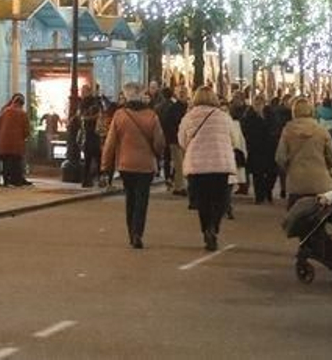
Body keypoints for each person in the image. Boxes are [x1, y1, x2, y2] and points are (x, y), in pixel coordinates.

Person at [100, 82, 166, 248]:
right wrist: (159, 154)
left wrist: (105, 164)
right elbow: (159, 141)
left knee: (130, 198)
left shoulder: (120, 115)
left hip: (126, 164)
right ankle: (138, 232)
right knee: (142, 199)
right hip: (146, 165)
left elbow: (110, 142)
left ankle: (131, 232)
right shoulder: (152, 115)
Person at [179, 85, 236, 251]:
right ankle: (214, 227)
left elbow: (182, 140)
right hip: (220, 163)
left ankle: (206, 229)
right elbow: (233, 138)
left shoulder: (189, 117)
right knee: (219, 199)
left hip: (197, 164)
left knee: (203, 201)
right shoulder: (224, 117)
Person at [275, 96, 332, 208]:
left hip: (296, 182)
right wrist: (327, 166)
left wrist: (289, 168)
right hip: (320, 182)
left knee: (294, 220)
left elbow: (280, 157)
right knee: (318, 220)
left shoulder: (288, 131)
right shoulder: (321, 131)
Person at [242, 94, 278, 204]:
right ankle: (259, 196)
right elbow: (245, 130)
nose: (258, 105)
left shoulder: (270, 113)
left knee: (272, 172)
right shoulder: (248, 115)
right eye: (256, 103)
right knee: (258, 174)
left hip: (269, 147)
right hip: (255, 148)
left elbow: (275, 127)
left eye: (260, 103)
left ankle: (268, 190)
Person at [0, 92, 30, 187]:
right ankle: (16, 181)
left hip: (3, 144)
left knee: (6, 163)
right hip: (16, 145)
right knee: (15, 164)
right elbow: (26, 130)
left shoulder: (5, 111)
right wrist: (25, 137)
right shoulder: (22, 113)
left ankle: (6, 181)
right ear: (21, 104)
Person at [160, 86, 188, 196]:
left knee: (182, 164)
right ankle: (179, 187)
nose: (182, 94)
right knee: (179, 164)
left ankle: (180, 185)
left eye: (184, 92)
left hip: (185, 140)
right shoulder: (173, 108)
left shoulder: (188, 107)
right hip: (175, 140)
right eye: (180, 92)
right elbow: (168, 123)